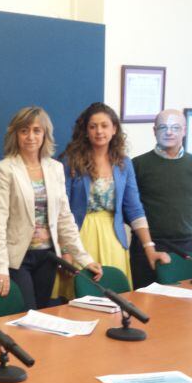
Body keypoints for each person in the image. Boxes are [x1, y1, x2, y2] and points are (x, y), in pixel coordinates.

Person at [0, 106, 102, 311]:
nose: (30, 136)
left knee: (42, 313)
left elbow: (64, 218)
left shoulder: (55, 168)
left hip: (48, 256)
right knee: (26, 314)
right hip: (18, 258)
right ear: (16, 134)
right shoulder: (3, 169)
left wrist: (84, 259)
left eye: (36, 130)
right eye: (24, 130)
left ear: (45, 134)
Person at [57, 103, 169, 296]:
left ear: (114, 129)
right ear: (85, 131)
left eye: (104, 125)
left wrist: (149, 247)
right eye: (93, 126)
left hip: (114, 238)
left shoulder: (123, 163)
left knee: (115, 299)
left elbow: (134, 209)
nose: (99, 131)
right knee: (81, 299)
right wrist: (65, 249)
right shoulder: (70, 161)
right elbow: (60, 208)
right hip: (79, 237)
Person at [130, 108, 192, 288]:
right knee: (147, 305)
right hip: (148, 246)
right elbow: (131, 209)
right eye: (163, 127)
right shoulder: (138, 164)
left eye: (176, 127)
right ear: (154, 131)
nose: (169, 132)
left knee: (187, 305)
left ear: (185, 131)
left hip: (185, 245)